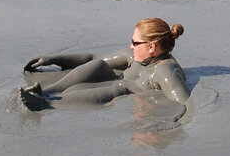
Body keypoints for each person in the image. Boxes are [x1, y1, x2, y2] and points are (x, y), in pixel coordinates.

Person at [19, 18, 190, 111]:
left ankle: (45, 103)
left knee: (120, 88)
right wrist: (55, 59)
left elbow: (185, 103)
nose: (131, 46)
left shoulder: (166, 71)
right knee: (99, 65)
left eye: (135, 42)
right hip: (117, 83)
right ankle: (47, 92)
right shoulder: (133, 57)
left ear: (151, 47)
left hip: (124, 93)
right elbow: (92, 57)